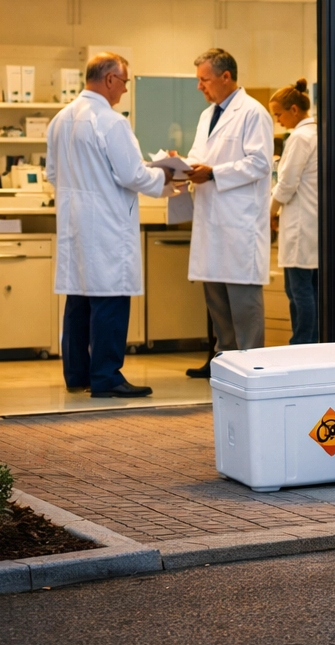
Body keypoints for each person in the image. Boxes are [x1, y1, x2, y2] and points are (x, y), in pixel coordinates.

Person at [47, 52, 172, 398]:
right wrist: (168, 176)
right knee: (110, 300)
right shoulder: (111, 121)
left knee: (79, 298)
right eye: (125, 82)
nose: (124, 90)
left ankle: (77, 374)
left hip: (75, 222)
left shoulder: (61, 118)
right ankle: (106, 377)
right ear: (111, 80)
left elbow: (53, 174)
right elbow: (132, 173)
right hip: (107, 224)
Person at [183, 48, 274, 378]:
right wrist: (185, 167)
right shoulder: (208, 115)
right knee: (217, 299)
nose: (199, 87)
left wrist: (215, 172)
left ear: (226, 77)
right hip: (211, 216)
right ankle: (223, 360)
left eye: (204, 80)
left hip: (239, 222)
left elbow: (260, 162)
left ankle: (251, 366)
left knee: (242, 300)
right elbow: (200, 154)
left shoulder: (253, 113)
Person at [270, 80, 318, 345]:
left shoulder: (300, 137)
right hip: (313, 222)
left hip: (300, 223)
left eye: (279, 114)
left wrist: (270, 211)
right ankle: (313, 341)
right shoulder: (321, 133)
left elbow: (286, 183)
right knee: (311, 289)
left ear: (295, 110)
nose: (278, 120)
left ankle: (301, 344)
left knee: (298, 290)